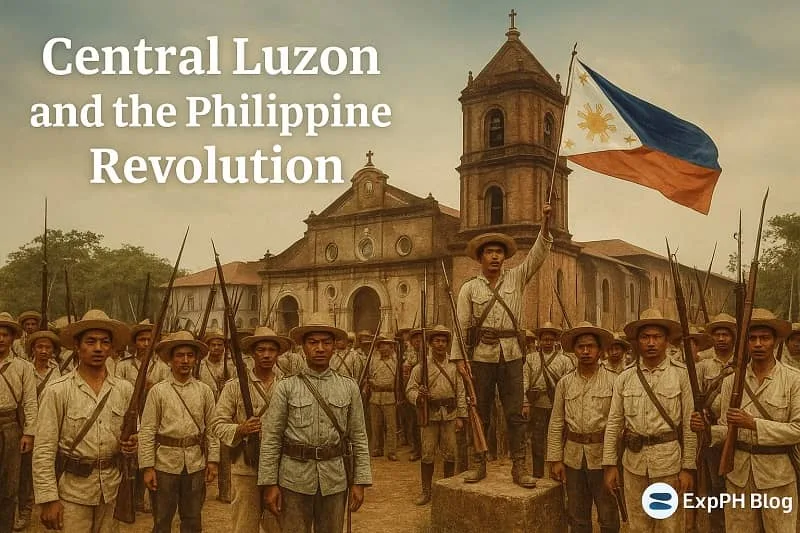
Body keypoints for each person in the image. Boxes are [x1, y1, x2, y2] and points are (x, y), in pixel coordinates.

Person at [450, 203, 552, 487]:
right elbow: (459, 325)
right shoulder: (469, 288)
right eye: (489, 253)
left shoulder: (517, 278)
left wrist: (545, 224)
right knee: (479, 411)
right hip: (481, 356)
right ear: (480, 258)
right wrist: (459, 359)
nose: (494, 257)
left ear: (505, 257)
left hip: (512, 356)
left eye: (499, 253)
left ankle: (519, 468)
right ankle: (478, 464)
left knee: (515, 414)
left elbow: (538, 255)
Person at [258, 312, 372, 533]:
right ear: (303, 347)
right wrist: (270, 484)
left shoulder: (348, 387)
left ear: (334, 347)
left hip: (334, 479)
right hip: (294, 479)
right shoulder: (286, 387)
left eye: (326, 343)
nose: (320, 348)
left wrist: (360, 481)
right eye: (313, 342)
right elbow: (271, 438)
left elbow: (359, 436)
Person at [692, 309, 800, 533]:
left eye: (765, 338)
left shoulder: (793, 380)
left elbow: (797, 429)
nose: (758, 344)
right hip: (739, 476)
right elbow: (726, 428)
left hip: (777, 476)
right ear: (745, 343)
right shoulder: (732, 381)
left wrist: (754, 424)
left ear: (776, 341)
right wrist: (708, 431)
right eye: (752, 338)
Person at [33, 309, 137, 532]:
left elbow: (132, 437)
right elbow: (43, 449)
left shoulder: (124, 389)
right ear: (77, 346)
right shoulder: (58, 391)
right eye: (90, 341)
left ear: (111, 348)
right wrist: (48, 499)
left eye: (104, 342)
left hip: (111, 490)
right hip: (71, 492)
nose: (98, 348)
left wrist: (131, 445)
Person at [602, 308, 696, 533]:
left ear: (666, 341)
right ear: (637, 341)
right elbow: (614, 423)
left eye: (657, 337)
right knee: (638, 525)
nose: (651, 343)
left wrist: (688, 468)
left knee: (669, 525)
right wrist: (610, 465)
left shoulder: (682, 375)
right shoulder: (625, 377)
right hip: (633, 464)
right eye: (645, 337)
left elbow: (689, 425)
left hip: (668, 463)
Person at [139, 330, 219, 533]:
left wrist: (213, 461)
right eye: (179, 355)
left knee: (192, 520)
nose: (185, 360)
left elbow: (212, 429)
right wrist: (147, 467)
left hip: (195, 463)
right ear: (170, 360)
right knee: (162, 519)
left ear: (195, 359)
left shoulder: (204, 391)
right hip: (165, 463)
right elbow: (147, 431)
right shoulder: (158, 391)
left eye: (189, 355)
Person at [210, 326, 287, 533]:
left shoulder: (288, 386)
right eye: (261, 350)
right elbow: (217, 423)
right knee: (244, 525)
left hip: (282, 466)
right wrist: (241, 429)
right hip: (246, 466)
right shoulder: (234, 386)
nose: (267, 355)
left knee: (279, 526)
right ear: (253, 353)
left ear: (278, 353)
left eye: (271, 350)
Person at [547, 322, 619, 533]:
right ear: (574, 350)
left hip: (603, 458)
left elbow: (618, 424)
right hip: (573, 458)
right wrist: (556, 459)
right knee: (578, 516)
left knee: (607, 515)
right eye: (580, 347)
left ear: (600, 351)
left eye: (590, 346)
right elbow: (556, 422)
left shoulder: (614, 381)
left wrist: (613, 462)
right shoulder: (565, 383)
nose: (585, 351)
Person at [405, 325, 466, 505]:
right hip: (429, 415)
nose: (440, 344)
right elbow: (410, 389)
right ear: (430, 344)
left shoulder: (454, 367)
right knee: (427, 453)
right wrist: (419, 397)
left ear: (448, 344)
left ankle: (446, 490)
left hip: (450, 415)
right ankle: (426, 491)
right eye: (436, 341)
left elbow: (461, 392)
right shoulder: (421, 367)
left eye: (444, 341)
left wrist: (461, 416)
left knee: (450, 454)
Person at [692, 313, 736, 533]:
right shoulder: (703, 365)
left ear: (733, 337)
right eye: (717, 334)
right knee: (713, 488)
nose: (721, 339)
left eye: (725, 334)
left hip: (735, 433)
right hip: (710, 437)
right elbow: (695, 397)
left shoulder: (743, 363)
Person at [15, 329, 61, 531]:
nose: (43, 351)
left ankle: (50, 505)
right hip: (28, 425)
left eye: (48, 347)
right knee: (25, 471)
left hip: (52, 427)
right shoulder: (25, 369)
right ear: (32, 349)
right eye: (39, 347)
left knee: (49, 467)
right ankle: (24, 511)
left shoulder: (57, 371)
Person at [0, 312, 37, 532]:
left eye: (5, 334)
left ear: (13, 337)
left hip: (11, 428)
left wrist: (29, 433)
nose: (1, 338)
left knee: (9, 486)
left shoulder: (23, 367)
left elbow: (30, 402)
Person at [525, 321, 574, 478]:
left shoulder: (564, 361)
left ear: (555, 341)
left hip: (557, 405)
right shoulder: (531, 359)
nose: (547, 342)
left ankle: (556, 474)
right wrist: (525, 402)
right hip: (537, 404)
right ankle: (538, 475)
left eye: (550, 339)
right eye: (544, 339)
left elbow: (569, 384)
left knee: (558, 441)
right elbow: (524, 380)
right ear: (539, 340)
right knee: (537, 441)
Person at [364, 337, 400, 460]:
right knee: (376, 425)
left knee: (391, 426)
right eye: (381, 346)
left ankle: (391, 451)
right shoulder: (373, 361)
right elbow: (369, 376)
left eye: (387, 345)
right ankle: (377, 448)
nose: (384, 348)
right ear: (378, 348)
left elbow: (397, 380)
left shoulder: (396, 361)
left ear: (392, 347)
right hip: (375, 396)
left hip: (389, 396)